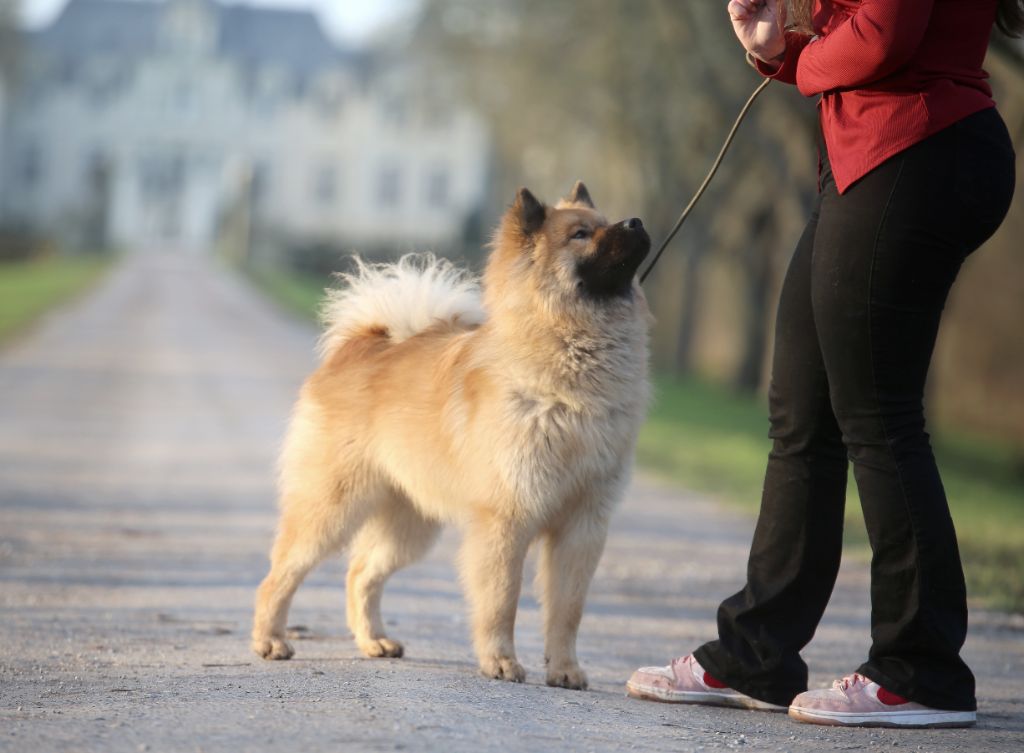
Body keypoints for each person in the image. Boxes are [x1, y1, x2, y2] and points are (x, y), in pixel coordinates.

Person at [626, 0, 1018, 729]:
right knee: (801, 409)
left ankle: (921, 668)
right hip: (871, 152)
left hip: (916, 146)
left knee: (878, 413)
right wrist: (777, 48)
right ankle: (759, 651)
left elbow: (882, 37)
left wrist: (799, 62)